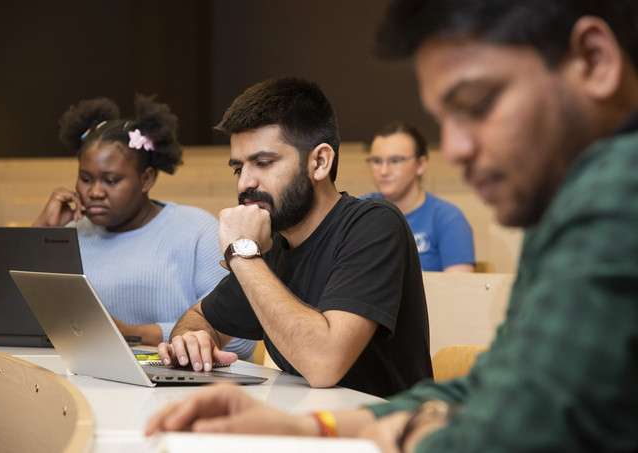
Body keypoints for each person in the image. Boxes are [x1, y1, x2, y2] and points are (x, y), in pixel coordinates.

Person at [145, 0, 638, 451]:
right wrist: (309, 426)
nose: (457, 147)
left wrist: (401, 429)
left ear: (594, 60)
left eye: (479, 103)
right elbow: (495, 385)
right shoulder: (570, 203)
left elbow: (522, 431)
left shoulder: (616, 189)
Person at [156, 77, 433, 398]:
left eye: (263, 163)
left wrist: (241, 253)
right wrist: (194, 339)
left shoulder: (374, 224)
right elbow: (198, 318)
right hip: (305, 425)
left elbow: (324, 364)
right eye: (238, 168)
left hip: (386, 436)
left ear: (319, 162)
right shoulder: (271, 244)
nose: (245, 183)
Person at [32, 95, 255, 360]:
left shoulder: (197, 230)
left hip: (181, 383)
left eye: (111, 180)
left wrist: (133, 333)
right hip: (90, 376)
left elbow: (240, 338)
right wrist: (42, 232)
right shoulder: (70, 231)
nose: (94, 192)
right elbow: (11, 315)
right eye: (85, 178)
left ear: (146, 179)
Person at [361, 121, 475, 272]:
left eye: (395, 161)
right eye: (376, 161)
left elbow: (460, 288)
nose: (383, 171)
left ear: (420, 164)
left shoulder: (448, 218)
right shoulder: (359, 211)